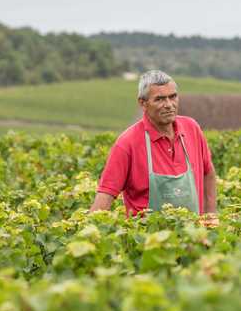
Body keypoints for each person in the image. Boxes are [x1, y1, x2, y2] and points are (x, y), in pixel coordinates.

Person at [91, 70, 217, 221]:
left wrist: (211, 217)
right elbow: (106, 195)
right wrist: (86, 232)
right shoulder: (127, 143)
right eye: (159, 99)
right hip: (147, 242)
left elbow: (208, 172)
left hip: (193, 240)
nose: (169, 105)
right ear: (143, 103)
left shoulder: (192, 128)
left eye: (173, 97)